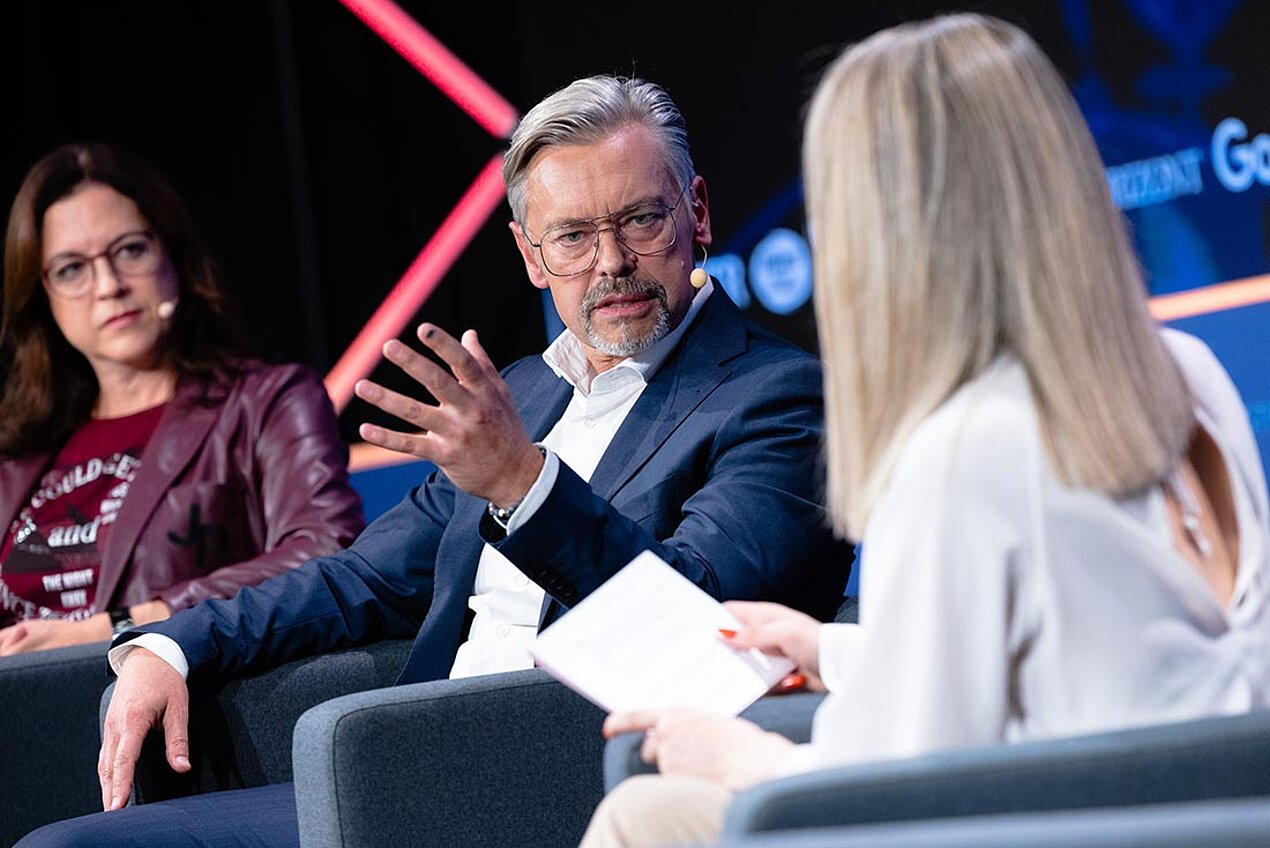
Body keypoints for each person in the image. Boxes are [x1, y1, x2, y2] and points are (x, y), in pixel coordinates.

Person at [16, 74, 852, 847]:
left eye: (641, 219)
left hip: (576, 767)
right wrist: (172, 645)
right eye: (573, 236)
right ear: (530, 255)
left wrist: (523, 487)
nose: (611, 263)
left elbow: (701, 615)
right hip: (405, 756)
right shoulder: (522, 395)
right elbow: (362, 580)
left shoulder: (779, 397)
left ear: (697, 213)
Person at [579, 13, 1270, 848]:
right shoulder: (1184, 371)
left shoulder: (961, 454)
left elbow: (901, 795)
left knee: (643, 814)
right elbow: (1092, 670)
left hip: (1062, 821)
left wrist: (738, 755)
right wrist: (829, 649)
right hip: (1192, 810)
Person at [0, 142, 365, 657]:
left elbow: (327, 552)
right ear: (42, 298)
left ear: (172, 254)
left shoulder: (266, 403)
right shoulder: (17, 448)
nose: (108, 286)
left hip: (167, 701)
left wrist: (119, 627)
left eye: (129, 250)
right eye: (70, 269)